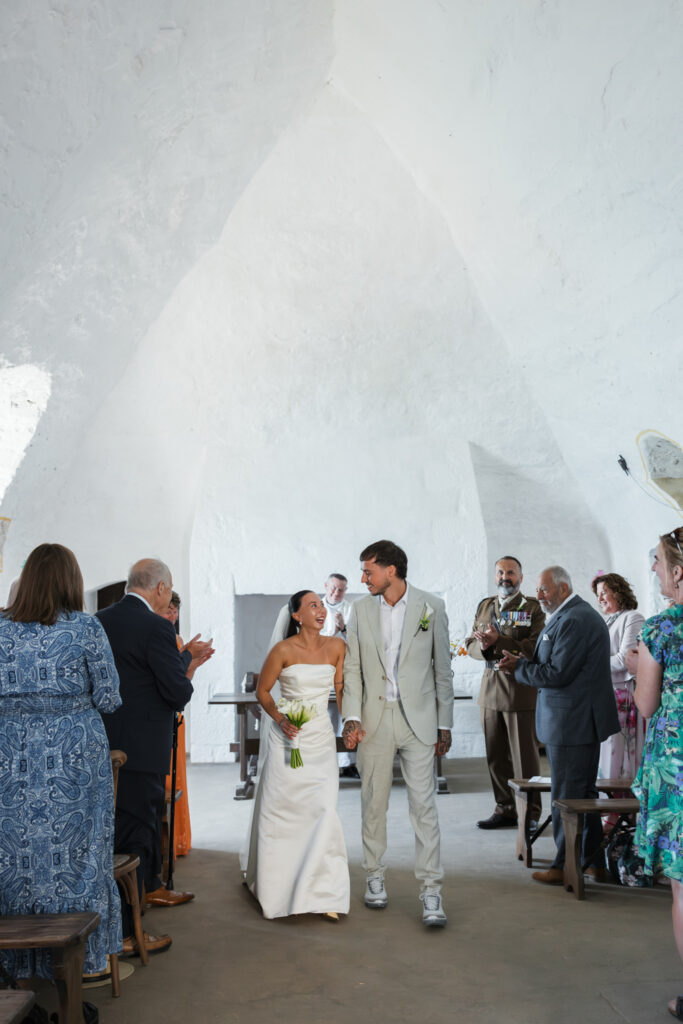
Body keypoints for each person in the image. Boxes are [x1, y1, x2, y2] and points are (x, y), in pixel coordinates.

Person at [0, 543, 122, 980]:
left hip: (9, 756)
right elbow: (110, 698)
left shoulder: (0, 629)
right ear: (72, 581)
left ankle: (16, 970)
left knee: (13, 855)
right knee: (79, 853)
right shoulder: (86, 629)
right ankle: (77, 965)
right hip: (75, 755)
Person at [98, 559, 213, 955]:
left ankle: (145, 896)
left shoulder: (98, 620)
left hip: (104, 743)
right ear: (162, 589)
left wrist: (182, 659)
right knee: (137, 833)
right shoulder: (158, 627)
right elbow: (176, 691)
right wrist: (189, 662)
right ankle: (130, 932)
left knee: (119, 831)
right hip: (143, 748)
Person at [342, 540, 454, 927]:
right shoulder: (358, 610)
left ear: (391, 570)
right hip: (374, 718)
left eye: (368, 570)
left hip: (419, 720)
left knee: (424, 807)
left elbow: (443, 669)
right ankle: (374, 877)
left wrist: (445, 723)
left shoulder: (431, 606)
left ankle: (431, 891)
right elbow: (352, 669)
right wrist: (351, 717)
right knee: (373, 803)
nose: (362, 578)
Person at [498, 566, 619, 885]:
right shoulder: (569, 616)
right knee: (582, 792)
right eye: (537, 590)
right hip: (574, 719)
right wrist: (522, 663)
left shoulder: (575, 620)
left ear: (564, 589)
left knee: (566, 795)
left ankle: (565, 864)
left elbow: (557, 674)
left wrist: (519, 669)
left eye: (544, 589)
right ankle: (591, 861)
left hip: (573, 721)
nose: (538, 596)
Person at [243, 590, 349, 920]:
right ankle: (277, 888)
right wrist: (281, 719)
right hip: (287, 737)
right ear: (297, 616)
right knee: (284, 811)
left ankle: (324, 891)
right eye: (312, 605)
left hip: (319, 737)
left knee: (324, 808)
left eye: (322, 605)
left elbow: (341, 689)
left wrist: (348, 723)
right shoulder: (283, 650)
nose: (320, 610)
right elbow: (262, 690)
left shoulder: (337, 647)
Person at [628, 528, 683, 1022]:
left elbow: (645, 704)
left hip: (677, 771)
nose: (654, 569)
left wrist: (637, 667)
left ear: (679, 572)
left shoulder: (662, 629)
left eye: (659, 561)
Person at [466, 556, 545, 829]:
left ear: (521, 577)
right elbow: (470, 643)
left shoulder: (532, 608)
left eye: (511, 572)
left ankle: (531, 813)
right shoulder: (486, 605)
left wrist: (499, 641)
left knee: (525, 758)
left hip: (519, 688)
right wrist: (486, 647)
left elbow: (535, 647)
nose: (504, 577)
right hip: (489, 689)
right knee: (495, 755)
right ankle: (505, 808)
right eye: (500, 572)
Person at [591, 572, 645, 780]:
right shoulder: (607, 621)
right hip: (606, 692)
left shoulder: (633, 617)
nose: (600, 598)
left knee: (620, 752)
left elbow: (626, 659)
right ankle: (606, 806)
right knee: (607, 751)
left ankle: (622, 807)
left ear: (618, 591)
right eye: (598, 594)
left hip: (623, 694)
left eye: (605, 592)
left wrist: (591, 664)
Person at [160, 591, 192, 858]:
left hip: (175, 712)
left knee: (178, 774)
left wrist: (194, 661)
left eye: (175, 611)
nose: (172, 616)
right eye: (168, 610)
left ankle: (178, 838)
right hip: (160, 712)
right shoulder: (158, 637)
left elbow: (183, 680)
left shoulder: (178, 640)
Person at [321, 573, 359, 779]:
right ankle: (328, 764)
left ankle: (348, 763)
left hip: (344, 667)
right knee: (327, 716)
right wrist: (332, 630)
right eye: (334, 588)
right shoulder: (314, 606)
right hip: (322, 668)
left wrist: (343, 627)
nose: (337, 593)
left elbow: (357, 640)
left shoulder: (350, 608)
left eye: (341, 589)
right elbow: (309, 639)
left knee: (347, 714)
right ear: (326, 586)